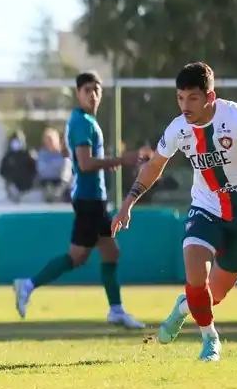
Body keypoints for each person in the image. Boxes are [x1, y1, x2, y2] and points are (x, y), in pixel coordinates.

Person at [111, 61, 237, 361]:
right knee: (195, 273)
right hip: (206, 206)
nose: (184, 105)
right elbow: (154, 166)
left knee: (211, 296)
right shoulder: (178, 128)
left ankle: (183, 306)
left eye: (192, 98)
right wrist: (128, 203)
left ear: (209, 98)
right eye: (179, 98)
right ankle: (210, 339)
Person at [12, 71, 145, 329]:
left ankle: (116, 310)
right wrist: (122, 160)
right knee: (77, 256)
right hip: (88, 200)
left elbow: (78, 157)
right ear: (78, 93)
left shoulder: (82, 120)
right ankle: (27, 285)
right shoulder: (82, 122)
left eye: (97, 90)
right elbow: (84, 164)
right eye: (87, 90)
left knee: (109, 251)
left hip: (94, 198)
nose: (93, 95)